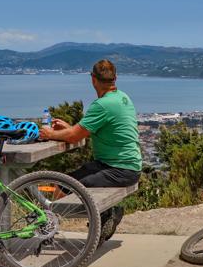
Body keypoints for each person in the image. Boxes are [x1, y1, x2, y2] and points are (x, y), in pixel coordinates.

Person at [39, 59, 142, 243]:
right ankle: (106, 215)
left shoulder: (102, 105)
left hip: (118, 170)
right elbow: (81, 133)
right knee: (66, 181)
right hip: (125, 166)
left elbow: (74, 137)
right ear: (115, 78)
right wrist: (69, 129)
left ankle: (52, 228)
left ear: (93, 79)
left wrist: (49, 133)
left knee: (63, 187)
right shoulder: (122, 97)